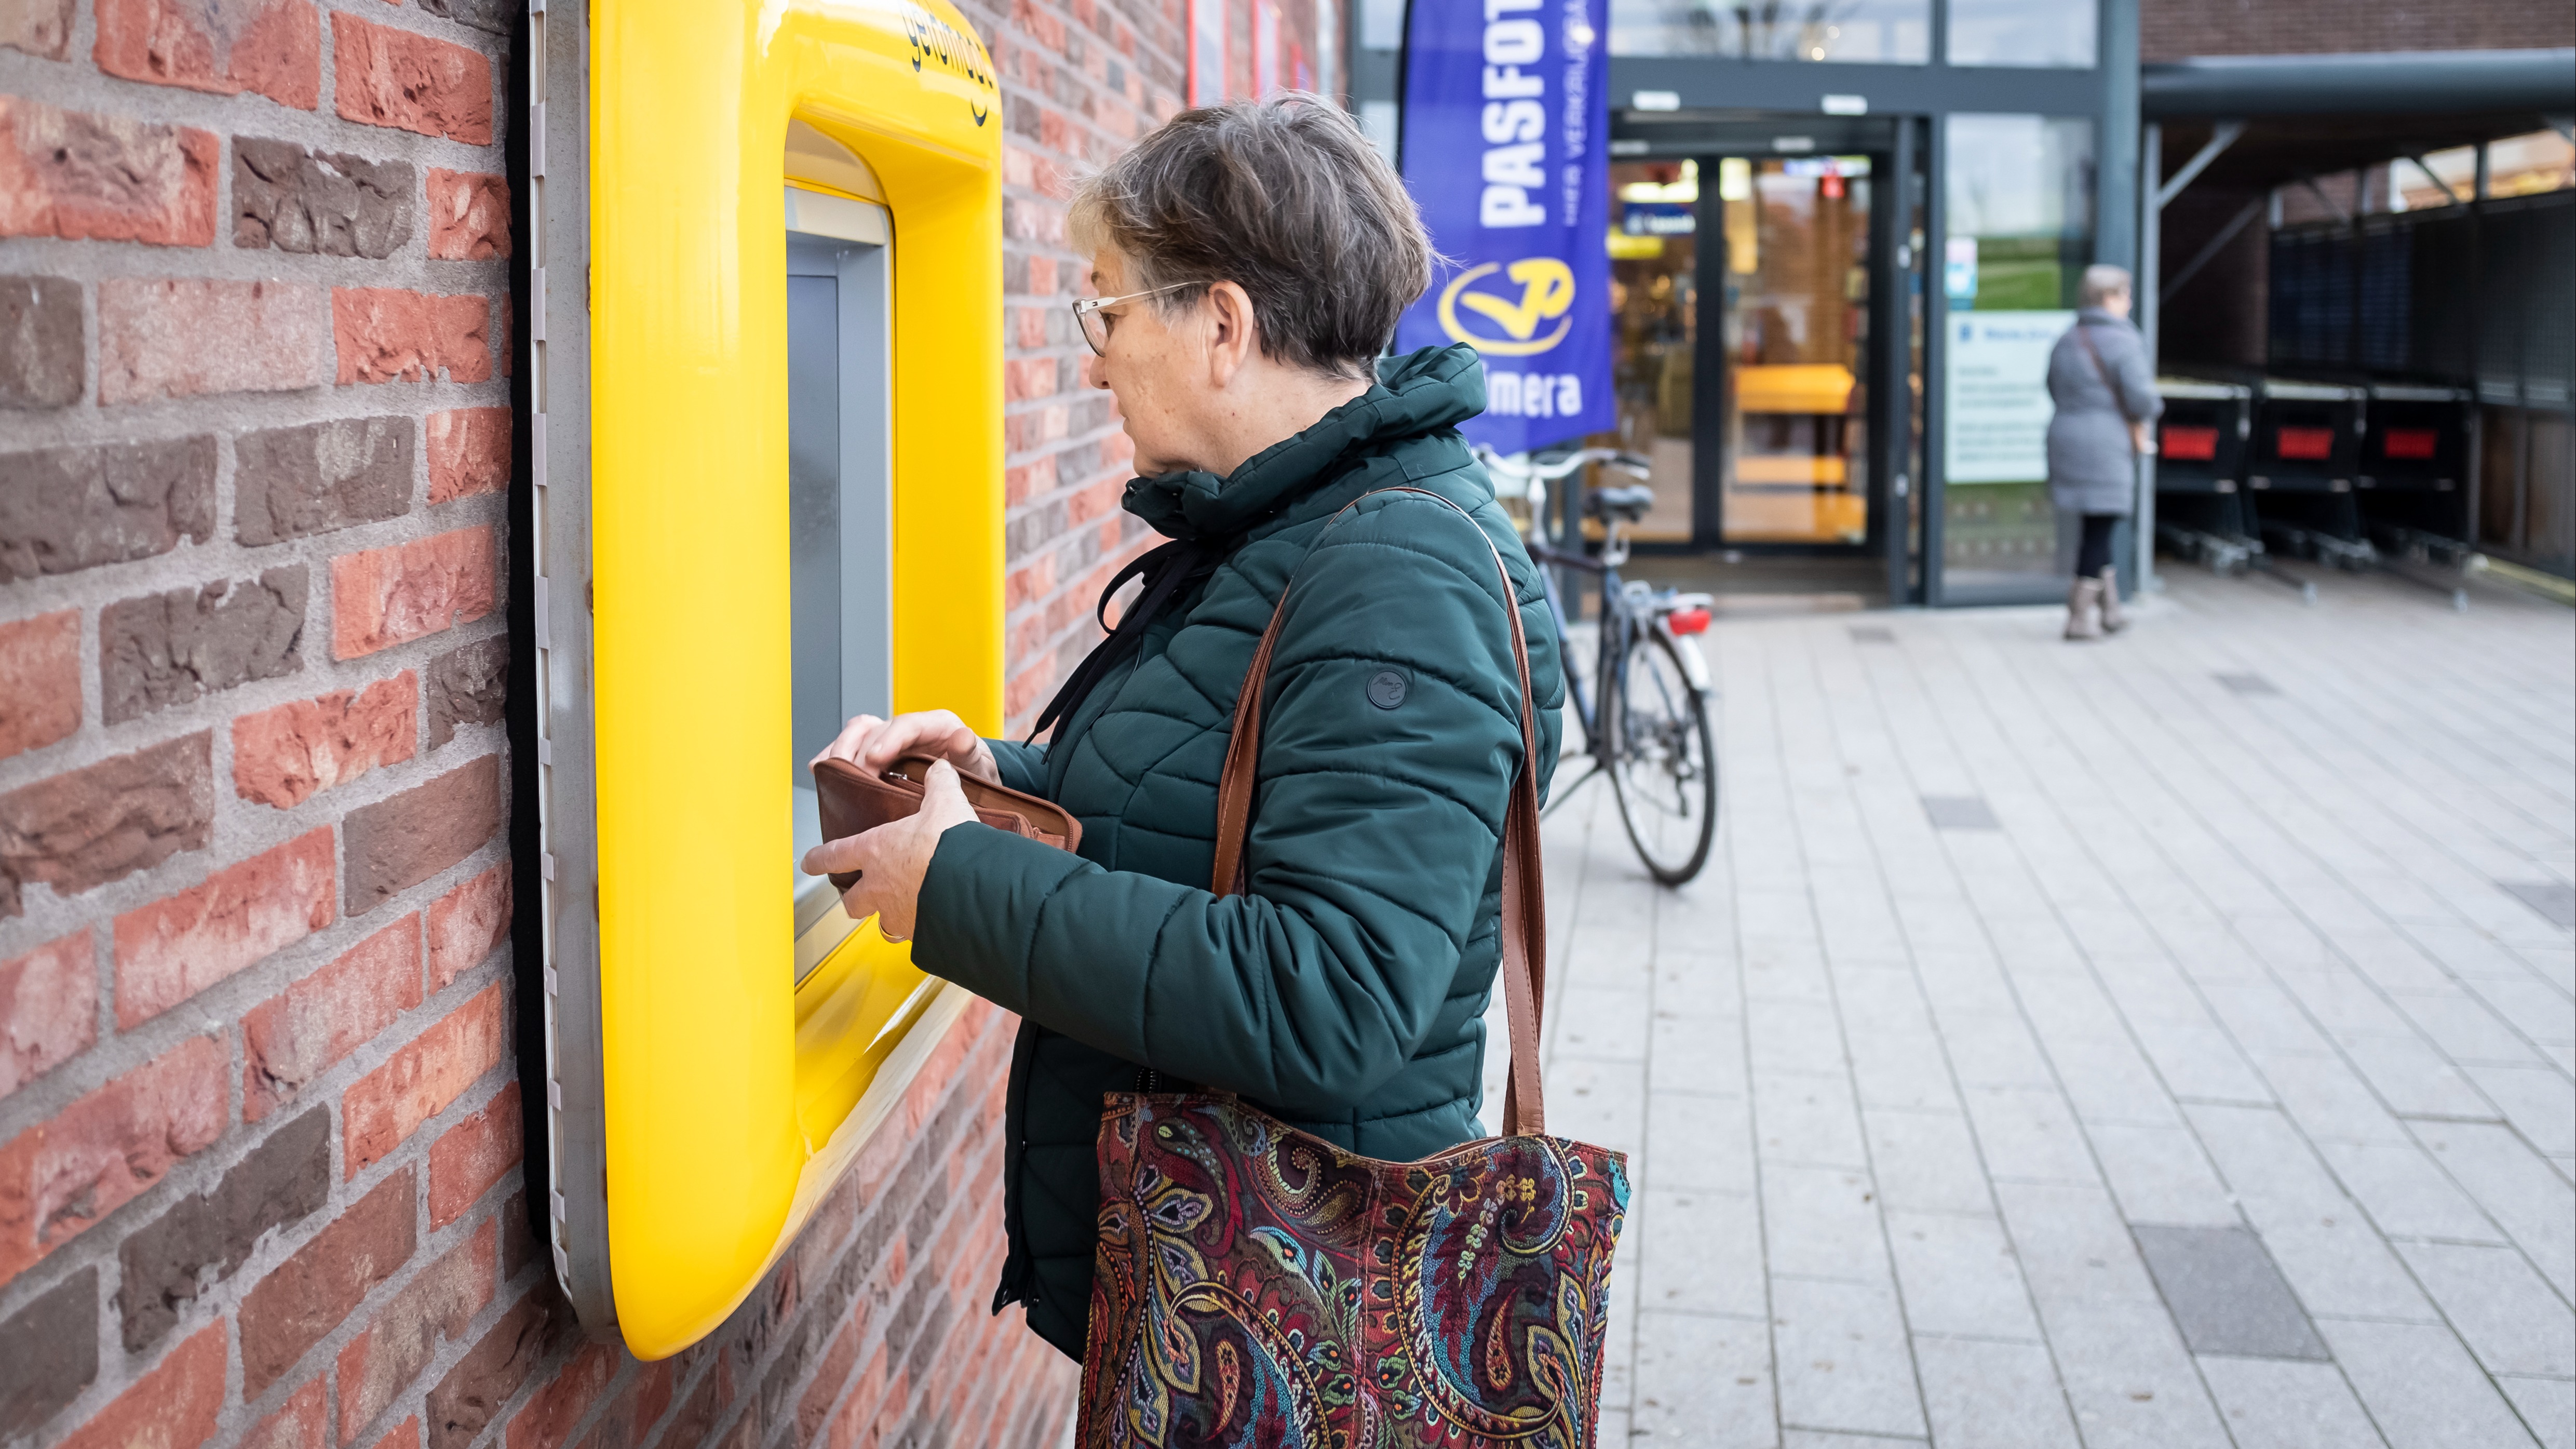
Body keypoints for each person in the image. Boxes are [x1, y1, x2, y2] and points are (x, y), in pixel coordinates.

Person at [798, 96, 1565, 1363]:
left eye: (1104, 311)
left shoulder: (1393, 573)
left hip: (1297, 1330)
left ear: (1221, 324)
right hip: (1233, 1304)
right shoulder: (1292, 527)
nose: (1091, 359)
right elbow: (1220, 805)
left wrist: (955, 883)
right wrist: (1002, 780)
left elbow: (1335, 994)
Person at [2045, 263, 2163, 640]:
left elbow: (2051, 385)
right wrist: (2153, 410)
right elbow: (2141, 398)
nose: (2128, 303)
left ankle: (2110, 610)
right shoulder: (2123, 341)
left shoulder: (2067, 338)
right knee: (2098, 529)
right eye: (2125, 295)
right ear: (2108, 298)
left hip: (2065, 437)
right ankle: (2078, 618)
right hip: (2104, 444)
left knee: (2097, 523)